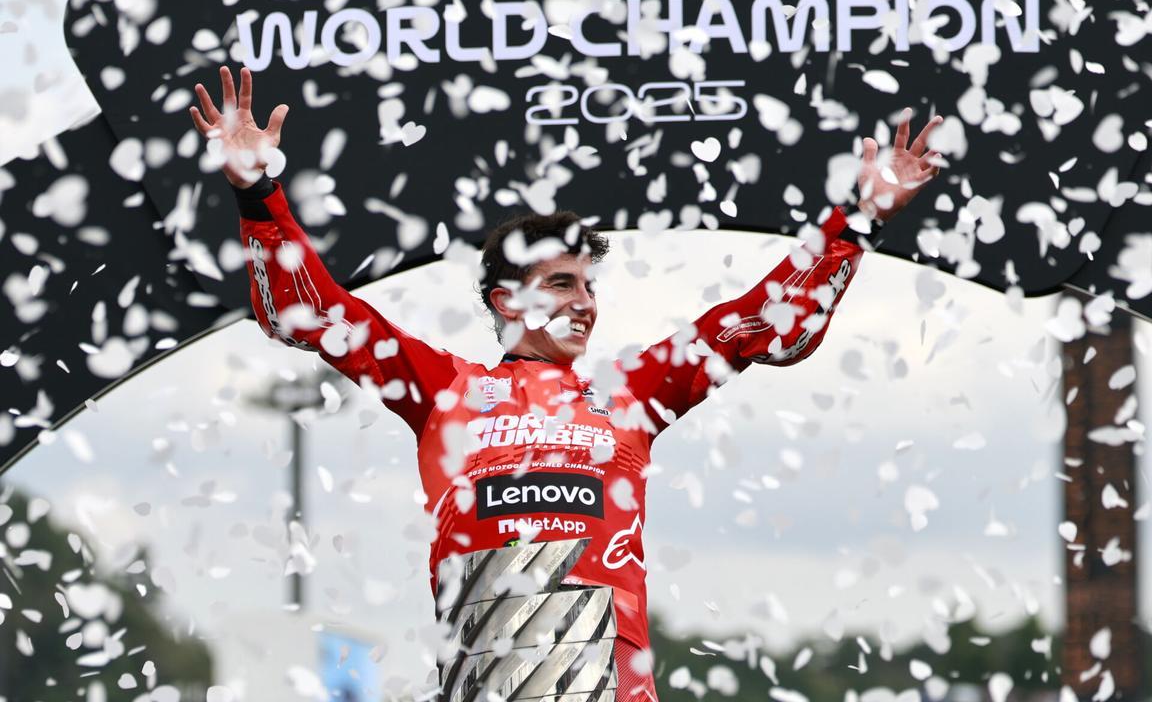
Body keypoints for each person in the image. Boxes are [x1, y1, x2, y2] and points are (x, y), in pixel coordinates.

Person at [190, 65, 942, 701]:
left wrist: (861, 218)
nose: (585, 302)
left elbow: (761, 321)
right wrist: (260, 197)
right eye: (560, 284)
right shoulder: (442, 390)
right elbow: (310, 312)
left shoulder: (634, 390)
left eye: (588, 285)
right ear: (504, 302)